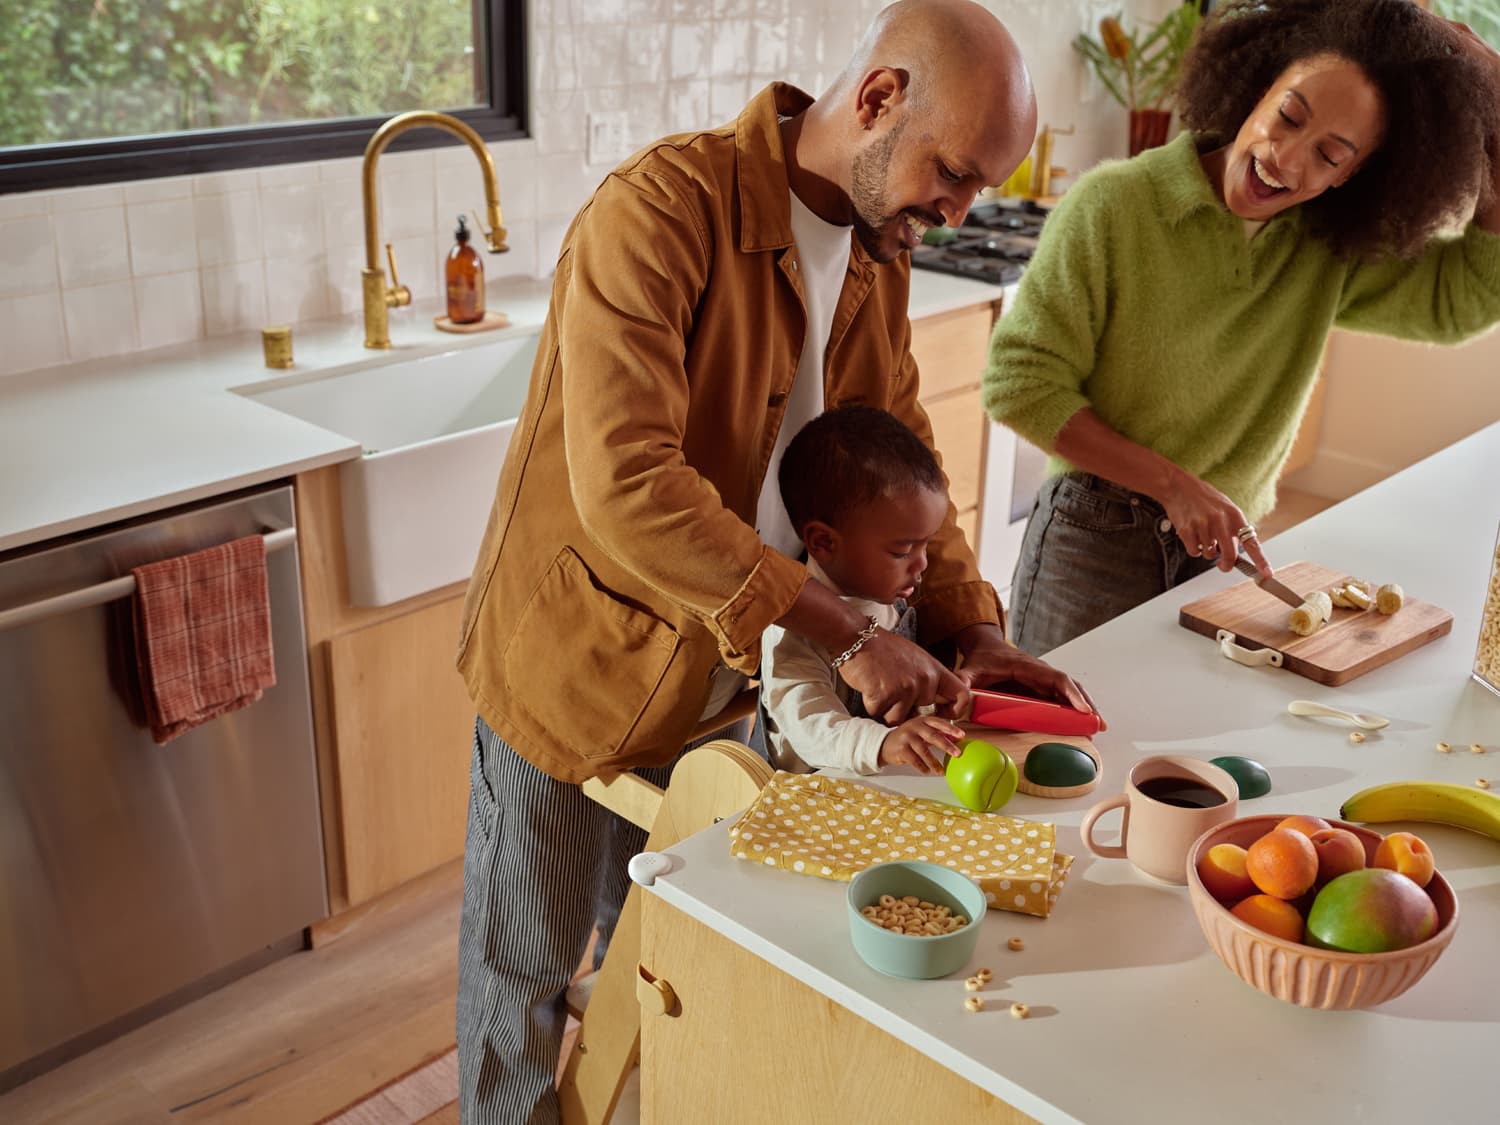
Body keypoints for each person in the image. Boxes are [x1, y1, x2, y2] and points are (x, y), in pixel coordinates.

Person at [451, 2, 1100, 1121]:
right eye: (951, 174)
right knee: (525, 989)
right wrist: (849, 630)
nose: (953, 213)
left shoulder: (874, 256)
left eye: (978, 191)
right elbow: (631, 488)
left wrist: (971, 626)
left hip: (722, 683)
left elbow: (904, 455)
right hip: (576, 668)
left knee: (664, 958)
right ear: (880, 98)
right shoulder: (659, 210)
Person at [984, 0, 1500, 657]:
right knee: (1055, 747)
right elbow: (1019, 384)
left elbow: (1468, 297)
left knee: (1172, 743)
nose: (1284, 159)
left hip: (1224, 548)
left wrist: (1494, 108)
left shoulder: (1325, 249)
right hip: (1095, 532)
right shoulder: (1114, 205)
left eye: (1329, 154)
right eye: (1287, 116)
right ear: (1258, 86)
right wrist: (1174, 485)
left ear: (1354, 174)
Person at [761, 405, 975, 776]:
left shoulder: (887, 589)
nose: (922, 564)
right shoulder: (792, 628)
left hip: (892, 787)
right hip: (817, 802)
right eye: (903, 551)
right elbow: (811, 729)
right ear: (823, 542)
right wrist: (882, 744)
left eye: (926, 545)